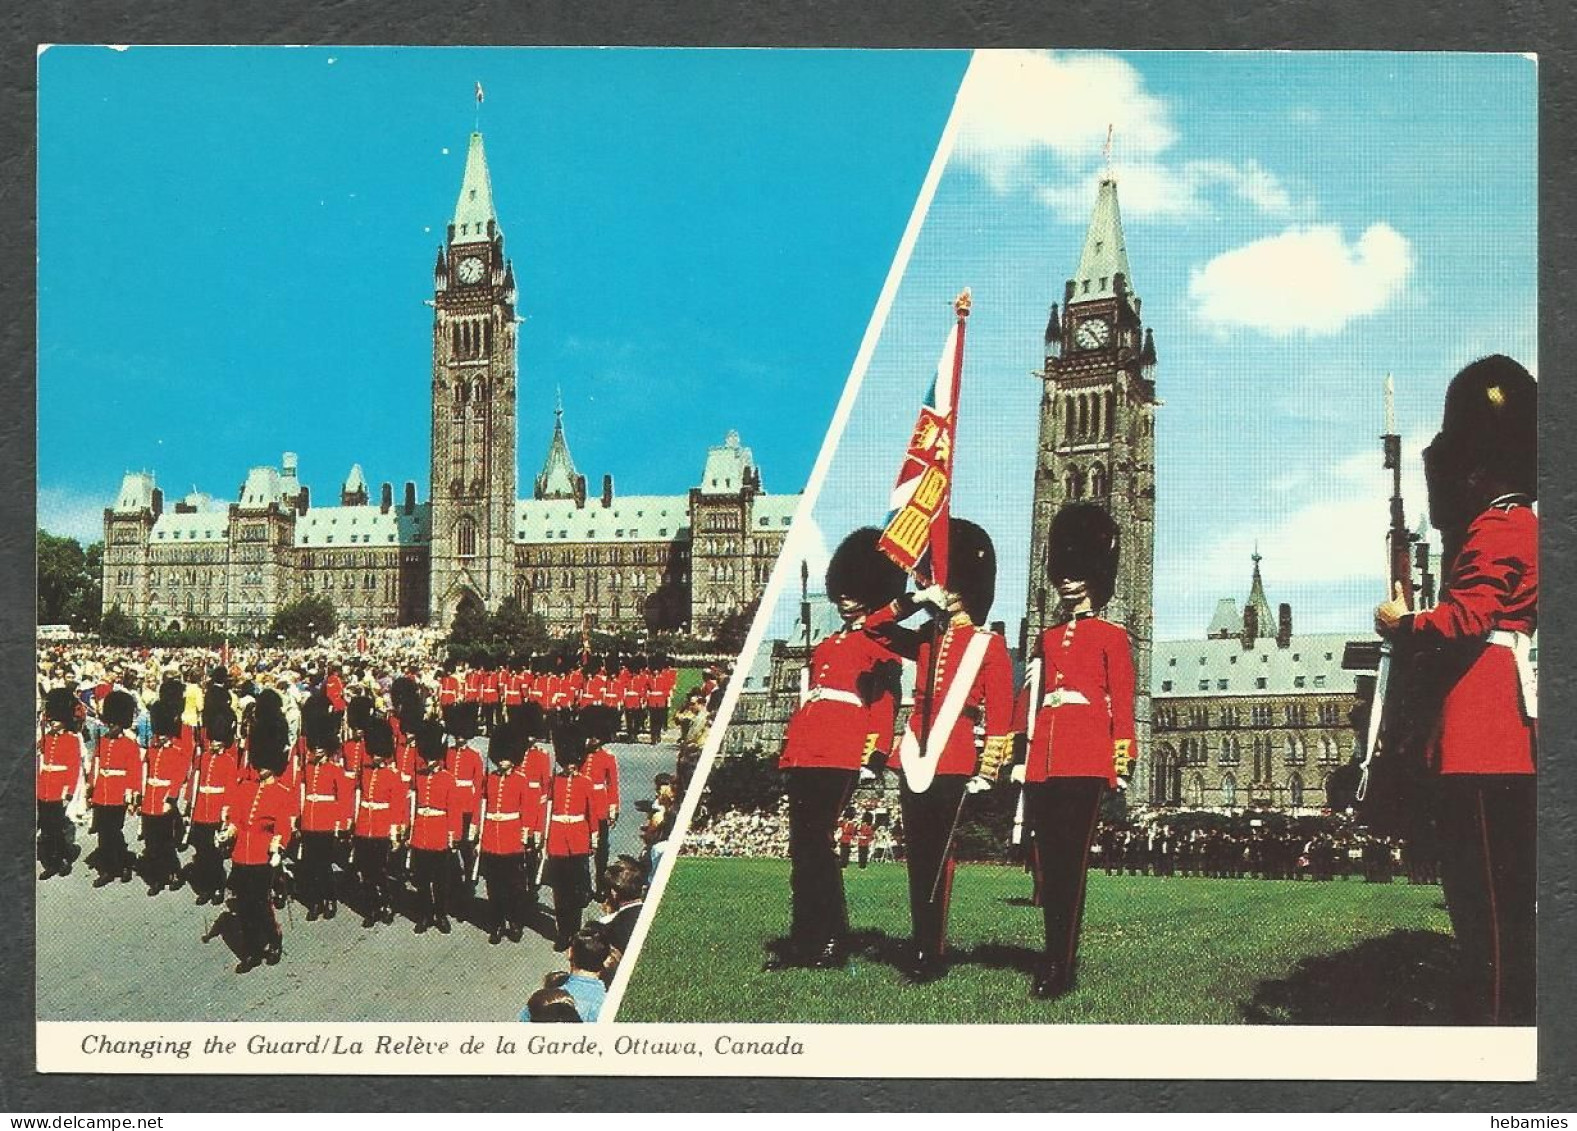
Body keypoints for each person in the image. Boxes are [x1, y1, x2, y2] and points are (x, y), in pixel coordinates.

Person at [1375, 354, 1537, 1025]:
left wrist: (1401, 620)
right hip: (1507, 724)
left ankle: (1491, 1016)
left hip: (1480, 730)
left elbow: (1465, 617)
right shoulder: (1524, 521)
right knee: (1500, 891)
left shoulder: (1495, 528)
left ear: (1477, 463)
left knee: (1480, 897)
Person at [767, 527, 906, 971]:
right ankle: (806, 939)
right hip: (808, 750)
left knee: (818, 846)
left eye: (854, 591)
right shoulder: (828, 643)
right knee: (803, 849)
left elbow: (884, 702)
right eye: (841, 590)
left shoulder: (880, 642)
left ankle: (826, 940)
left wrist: (874, 754)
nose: (845, 598)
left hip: (842, 750)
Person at [889, 518, 1016, 984]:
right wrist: (917, 598)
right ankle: (920, 942)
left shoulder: (988, 644)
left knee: (938, 856)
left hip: (955, 752)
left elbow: (1001, 712)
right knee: (917, 855)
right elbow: (875, 628)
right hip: (916, 751)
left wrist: (988, 768)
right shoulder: (927, 637)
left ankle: (930, 951)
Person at [1017, 502, 1135, 1000]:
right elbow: (1032, 699)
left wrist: (1121, 757)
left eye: (1077, 574)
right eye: (1062, 574)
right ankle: (1051, 953)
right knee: (1047, 862)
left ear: (1094, 579)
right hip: (1044, 755)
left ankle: (1060, 963)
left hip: (1085, 755)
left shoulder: (1112, 636)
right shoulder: (1045, 637)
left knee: (1071, 864)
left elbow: (1122, 701)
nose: (1067, 584)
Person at [220, 704, 298, 974]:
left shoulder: (281, 792)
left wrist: (278, 846)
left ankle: (273, 939)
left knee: (260, 903)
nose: (261, 766)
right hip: (242, 853)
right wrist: (229, 830)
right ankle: (252, 949)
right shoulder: (246, 789)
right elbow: (238, 819)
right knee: (244, 905)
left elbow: (283, 825)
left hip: (263, 855)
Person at [478, 716, 536, 945]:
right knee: (494, 886)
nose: (501, 761)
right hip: (492, 837)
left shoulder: (521, 780)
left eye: (506, 757)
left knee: (514, 886)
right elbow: (482, 805)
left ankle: (515, 921)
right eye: (499, 757)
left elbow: (528, 810)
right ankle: (497, 924)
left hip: (512, 838)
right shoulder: (490, 779)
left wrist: (526, 833)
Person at [543, 716, 599, 950]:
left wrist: (593, 837)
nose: (570, 766)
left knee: (575, 891)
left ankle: (574, 931)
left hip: (577, 839)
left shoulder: (585, 783)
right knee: (559, 890)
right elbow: (546, 808)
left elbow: (592, 814)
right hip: (557, 838)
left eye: (573, 762)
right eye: (567, 762)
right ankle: (562, 931)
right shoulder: (554, 781)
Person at [296, 691, 352, 922]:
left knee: (324, 863)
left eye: (320, 746)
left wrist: (340, 823)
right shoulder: (307, 768)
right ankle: (316, 901)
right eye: (314, 745)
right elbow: (300, 792)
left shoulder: (334, 769)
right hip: (309, 819)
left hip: (327, 821)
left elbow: (343, 798)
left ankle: (329, 898)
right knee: (310, 864)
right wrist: (296, 818)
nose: (316, 749)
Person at [407, 718, 461, 934]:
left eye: (432, 757)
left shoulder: (448, 779)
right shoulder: (418, 777)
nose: (428, 761)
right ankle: (425, 915)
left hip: (439, 832)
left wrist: (453, 835)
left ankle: (440, 913)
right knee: (421, 879)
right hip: (421, 831)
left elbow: (454, 810)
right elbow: (411, 805)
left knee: (440, 880)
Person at [139, 686, 194, 895]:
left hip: (163, 799)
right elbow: (146, 770)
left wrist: (171, 796)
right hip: (150, 799)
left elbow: (180, 771)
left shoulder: (176, 748)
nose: (158, 737)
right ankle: (157, 878)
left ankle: (175, 873)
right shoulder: (154, 747)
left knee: (165, 843)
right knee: (151, 843)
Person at [188, 695, 241, 905]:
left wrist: (226, 815)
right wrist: (189, 806)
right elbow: (196, 780)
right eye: (213, 740)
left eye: (218, 741)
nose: (215, 744)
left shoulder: (228, 760)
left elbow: (230, 789)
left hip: (217, 809)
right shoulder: (204, 758)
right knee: (201, 851)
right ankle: (206, 887)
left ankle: (218, 886)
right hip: (201, 809)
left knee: (214, 853)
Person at [353, 714, 405, 927]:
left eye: (377, 752)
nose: (374, 756)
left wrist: (394, 833)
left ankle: (387, 904)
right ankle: (372, 907)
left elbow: (397, 807)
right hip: (365, 825)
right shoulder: (364, 772)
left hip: (383, 827)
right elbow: (359, 797)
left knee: (381, 870)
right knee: (366, 871)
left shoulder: (393, 775)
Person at [88, 689, 143, 888]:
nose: (110, 727)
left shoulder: (130, 744)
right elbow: (96, 765)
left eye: (114, 724)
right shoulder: (102, 742)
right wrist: (91, 788)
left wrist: (132, 795)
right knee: (103, 832)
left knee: (113, 831)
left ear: (121, 724)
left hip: (118, 794)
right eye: (108, 723)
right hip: (102, 792)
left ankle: (122, 864)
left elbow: (134, 771)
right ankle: (109, 869)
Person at [36, 686, 85, 880]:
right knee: (46, 829)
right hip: (44, 788)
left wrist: (68, 792)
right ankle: (51, 862)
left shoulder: (71, 740)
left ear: (63, 719)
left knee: (55, 828)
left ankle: (62, 859)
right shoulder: (47, 738)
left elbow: (73, 769)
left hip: (58, 790)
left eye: (55, 719)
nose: (51, 722)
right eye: (51, 718)